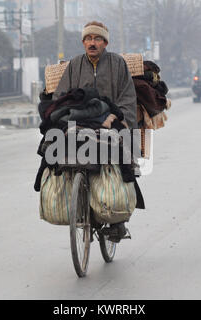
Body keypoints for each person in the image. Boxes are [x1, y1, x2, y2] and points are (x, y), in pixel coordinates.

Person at [54, 21, 139, 242]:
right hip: (81, 122)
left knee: (119, 162)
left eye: (97, 39)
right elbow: (60, 96)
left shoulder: (117, 64)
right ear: (83, 42)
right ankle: (78, 207)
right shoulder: (74, 65)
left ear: (105, 43)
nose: (92, 43)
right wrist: (64, 117)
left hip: (111, 121)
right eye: (88, 39)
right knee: (58, 153)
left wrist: (114, 116)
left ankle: (117, 221)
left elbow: (128, 98)